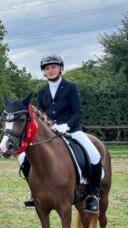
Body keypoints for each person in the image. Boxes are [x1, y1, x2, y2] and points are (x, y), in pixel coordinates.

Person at [21, 54, 102, 213]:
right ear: (43, 72)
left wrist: (67, 125)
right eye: (47, 68)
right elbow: (40, 115)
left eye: (53, 67)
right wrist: (47, 127)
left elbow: (78, 112)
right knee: (22, 158)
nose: (50, 70)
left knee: (94, 155)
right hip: (50, 134)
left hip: (71, 130)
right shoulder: (42, 91)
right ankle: (34, 192)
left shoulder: (71, 87)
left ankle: (94, 194)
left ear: (61, 68)